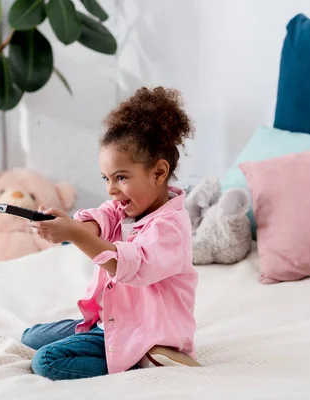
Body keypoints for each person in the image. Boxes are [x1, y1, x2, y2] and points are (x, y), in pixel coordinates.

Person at [22, 86, 199, 380]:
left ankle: (137, 361)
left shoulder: (170, 229)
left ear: (158, 173)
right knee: (30, 336)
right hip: (112, 319)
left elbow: (131, 265)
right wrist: (70, 227)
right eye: (106, 178)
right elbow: (101, 217)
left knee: (46, 361)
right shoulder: (127, 207)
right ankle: (112, 344)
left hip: (145, 330)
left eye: (121, 177)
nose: (111, 189)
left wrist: (76, 236)